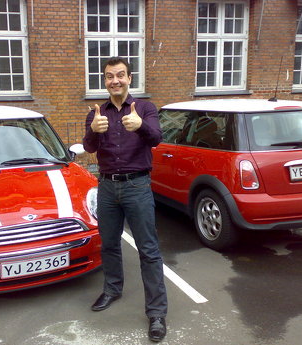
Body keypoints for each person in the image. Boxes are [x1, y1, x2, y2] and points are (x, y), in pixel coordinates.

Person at [83, 57, 168, 342]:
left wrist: (141, 125)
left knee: (148, 250)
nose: (115, 80)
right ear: (104, 81)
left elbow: (156, 138)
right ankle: (112, 289)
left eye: (120, 75)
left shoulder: (144, 108)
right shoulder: (97, 113)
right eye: (109, 76)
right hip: (107, 188)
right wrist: (92, 131)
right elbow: (88, 147)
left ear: (130, 78)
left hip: (137, 186)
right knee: (108, 244)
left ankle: (156, 313)